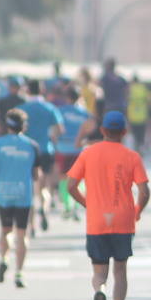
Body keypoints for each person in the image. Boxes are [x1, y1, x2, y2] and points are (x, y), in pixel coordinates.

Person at [67, 111, 150, 300]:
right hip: (123, 220)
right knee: (121, 271)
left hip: (97, 220)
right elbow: (144, 191)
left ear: (102, 131)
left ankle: (99, 291)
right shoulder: (132, 156)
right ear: (124, 133)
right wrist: (138, 211)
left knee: (99, 272)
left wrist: (87, 204)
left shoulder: (88, 154)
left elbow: (71, 185)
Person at [0, 109, 41, 288]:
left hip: (3, 193)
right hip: (24, 195)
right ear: (24, 126)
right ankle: (19, 272)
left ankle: (4, 258)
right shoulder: (32, 145)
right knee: (22, 234)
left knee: (6, 230)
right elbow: (37, 174)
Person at [20, 80, 63, 231]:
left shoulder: (21, 109)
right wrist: (52, 139)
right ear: (42, 90)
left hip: (26, 151)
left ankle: (31, 226)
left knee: (29, 190)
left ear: (27, 91)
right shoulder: (49, 108)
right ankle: (44, 210)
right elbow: (59, 129)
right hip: (45, 149)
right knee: (44, 186)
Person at [55, 86, 91, 220]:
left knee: (63, 177)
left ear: (67, 98)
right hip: (80, 149)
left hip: (63, 148)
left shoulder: (60, 111)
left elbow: (56, 129)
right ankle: (76, 205)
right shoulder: (85, 113)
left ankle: (67, 206)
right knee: (79, 179)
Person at [127, 75, 151, 149]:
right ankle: (140, 147)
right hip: (142, 115)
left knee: (134, 134)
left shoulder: (130, 88)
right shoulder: (143, 88)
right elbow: (148, 100)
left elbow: (126, 99)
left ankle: (135, 148)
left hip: (132, 116)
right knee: (141, 134)